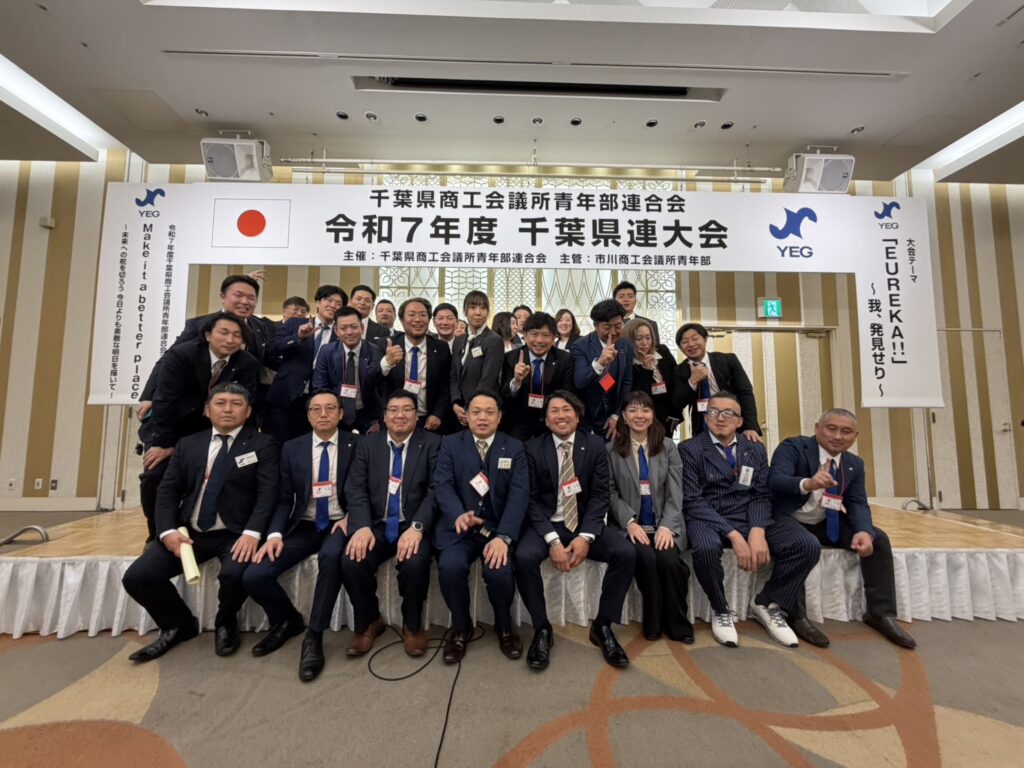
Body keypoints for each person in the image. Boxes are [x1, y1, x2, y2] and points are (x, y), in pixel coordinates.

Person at [123, 383, 279, 662]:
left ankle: (225, 621)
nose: (228, 409)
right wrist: (167, 531)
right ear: (207, 410)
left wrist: (253, 533)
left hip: (235, 533)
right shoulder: (188, 444)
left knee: (235, 574)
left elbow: (268, 494)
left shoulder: (263, 444)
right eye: (220, 403)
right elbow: (168, 492)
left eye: (236, 404)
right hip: (189, 532)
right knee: (138, 577)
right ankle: (177, 624)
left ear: (248, 412)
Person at [680, 392, 819, 648]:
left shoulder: (754, 449)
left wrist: (757, 530)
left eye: (728, 413)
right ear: (706, 417)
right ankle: (720, 609)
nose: (720, 418)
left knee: (806, 545)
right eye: (713, 412)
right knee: (706, 548)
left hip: (749, 513)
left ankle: (767, 602)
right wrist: (734, 535)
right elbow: (692, 500)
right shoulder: (690, 449)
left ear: (740, 421)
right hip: (708, 516)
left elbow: (761, 493)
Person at [769, 409, 916, 649]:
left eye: (846, 432)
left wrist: (863, 531)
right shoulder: (793, 447)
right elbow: (775, 480)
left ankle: (880, 613)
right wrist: (808, 483)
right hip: (787, 518)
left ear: (855, 436)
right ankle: (796, 616)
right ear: (817, 428)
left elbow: (857, 503)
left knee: (878, 538)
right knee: (803, 544)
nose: (838, 436)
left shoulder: (854, 464)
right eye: (831, 428)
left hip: (825, 522)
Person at [241, 390, 358, 680]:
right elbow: (283, 499)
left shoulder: (358, 444)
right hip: (303, 524)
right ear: (307, 416)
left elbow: (366, 489)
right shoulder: (292, 448)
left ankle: (314, 636)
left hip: (340, 522)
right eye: (316, 409)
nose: (323, 414)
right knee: (255, 575)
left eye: (330, 408)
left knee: (332, 557)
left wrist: (353, 517)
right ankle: (287, 620)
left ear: (341, 414)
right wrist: (274, 534)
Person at [516, 391, 635, 670]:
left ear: (578, 416)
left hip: (583, 525)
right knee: (523, 557)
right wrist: (552, 540)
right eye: (554, 411)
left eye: (567, 410)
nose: (561, 416)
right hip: (547, 524)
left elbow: (600, 496)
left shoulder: (594, 445)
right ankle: (542, 628)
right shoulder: (532, 448)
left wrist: (586, 536)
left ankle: (603, 625)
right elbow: (529, 500)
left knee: (626, 553)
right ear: (546, 420)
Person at [139, 314, 259, 541]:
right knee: (155, 475)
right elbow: (165, 400)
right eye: (224, 333)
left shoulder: (246, 362)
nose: (231, 340)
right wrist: (164, 444)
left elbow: (245, 401)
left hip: (215, 430)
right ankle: (159, 534)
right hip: (172, 427)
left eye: (237, 335)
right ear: (207, 335)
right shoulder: (181, 355)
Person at [341, 390, 442, 658]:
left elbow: (436, 490)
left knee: (415, 564)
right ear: (384, 417)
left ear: (417, 416)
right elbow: (355, 488)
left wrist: (418, 527)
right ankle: (369, 621)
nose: (400, 415)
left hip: (413, 524)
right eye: (393, 410)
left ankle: (412, 626)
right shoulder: (367, 444)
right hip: (376, 523)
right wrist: (361, 526)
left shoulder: (433, 444)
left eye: (407, 409)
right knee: (351, 561)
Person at [432, 389, 528, 664]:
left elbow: (519, 494)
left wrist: (504, 536)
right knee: (450, 567)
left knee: (499, 572)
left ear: (499, 417)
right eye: (476, 412)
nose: (482, 418)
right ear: (467, 416)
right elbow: (442, 484)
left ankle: (504, 626)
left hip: (496, 529)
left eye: (489, 412)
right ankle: (460, 627)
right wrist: (458, 515)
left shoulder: (514, 447)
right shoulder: (450, 444)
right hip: (460, 529)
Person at [607, 391, 692, 643]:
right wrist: (629, 522)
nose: (639, 415)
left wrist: (667, 526)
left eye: (645, 410)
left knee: (669, 561)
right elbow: (610, 493)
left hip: (664, 524)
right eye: (632, 410)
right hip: (632, 525)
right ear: (623, 416)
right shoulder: (611, 450)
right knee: (646, 558)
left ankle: (677, 624)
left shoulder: (668, 447)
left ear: (653, 414)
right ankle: (653, 622)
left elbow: (675, 492)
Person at [136, 274, 275, 422]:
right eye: (238, 295)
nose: (244, 301)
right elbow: (169, 359)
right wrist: (149, 396)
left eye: (251, 297)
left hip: (238, 409)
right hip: (192, 407)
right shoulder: (199, 324)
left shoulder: (262, 327)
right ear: (223, 297)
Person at [263, 285, 347, 445]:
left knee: (304, 447)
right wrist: (298, 336)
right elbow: (272, 348)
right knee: (274, 444)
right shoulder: (295, 323)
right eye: (329, 300)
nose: (333, 306)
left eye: (338, 303)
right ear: (318, 302)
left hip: (315, 403)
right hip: (284, 395)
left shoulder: (341, 334)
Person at [673, 323, 762, 443]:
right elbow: (678, 402)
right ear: (680, 347)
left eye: (695, 338)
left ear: (705, 339)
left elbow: (745, 393)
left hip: (733, 423)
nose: (691, 344)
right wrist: (692, 381)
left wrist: (751, 427)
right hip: (702, 427)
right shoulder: (679, 370)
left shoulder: (728, 360)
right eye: (684, 342)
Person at [379, 297, 451, 433]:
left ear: (429, 320)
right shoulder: (386, 345)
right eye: (411, 315)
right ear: (401, 320)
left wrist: (437, 414)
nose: (417, 320)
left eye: (422, 315)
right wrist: (386, 363)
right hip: (395, 419)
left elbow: (445, 386)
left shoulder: (441, 348)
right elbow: (375, 382)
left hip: (429, 421)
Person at [499, 312, 572, 442]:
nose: (539, 340)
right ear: (525, 336)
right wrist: (516, 381)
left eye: (546, 335)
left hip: (550, 419)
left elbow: (567, 393)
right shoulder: (511, 358)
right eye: (534, 334)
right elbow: (504, 396)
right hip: (519, 419)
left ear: (554, 337)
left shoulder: (564, 359)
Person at [312, 306, 385, 433]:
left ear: (362, 328)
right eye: (343, 328)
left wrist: (378, 419)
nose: (349, 332)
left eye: (354, 327)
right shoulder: (327, 351)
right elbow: (320, 386)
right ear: (336, 331)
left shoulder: (374, 351)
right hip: (337, 413)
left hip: (368, 415)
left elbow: (379, 385)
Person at [571, 299, 634, 440]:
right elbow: (579, 382)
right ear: (596, 326)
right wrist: (600, 362)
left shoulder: (626, 346)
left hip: (613, 418)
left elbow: (627, 383)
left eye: (618, 326)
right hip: (586, 417)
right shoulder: (580, 346)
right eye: (607, 327)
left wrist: (617, 414)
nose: (613, 332)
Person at [450, 291, 504, 429]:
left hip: (480, 411)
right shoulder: (459, 340)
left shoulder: (494, 340)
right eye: (473, 307)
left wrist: (470, 408)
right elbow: (454, 375)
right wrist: (456, 403)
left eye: (483, 308)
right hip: (459, 411)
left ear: (488, 312)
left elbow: (488, 379)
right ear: (465, 311)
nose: (478, 313)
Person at [625, 318, 676, 436]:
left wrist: (675, 413)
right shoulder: (627, 363)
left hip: (666, 418)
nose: (645, 343)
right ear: (629, 340)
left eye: (648, 338)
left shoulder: (662, 352)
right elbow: (637, 396)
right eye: (639, 339)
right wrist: (646, 370)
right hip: (640, 420)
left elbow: (676, 383)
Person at [613, 280, 660, 346]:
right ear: (614, 301)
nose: (626, 299)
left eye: (630, 296)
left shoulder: (650, 324)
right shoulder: (608, 325)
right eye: (621, 297)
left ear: (635, 301)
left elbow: (655, 349)